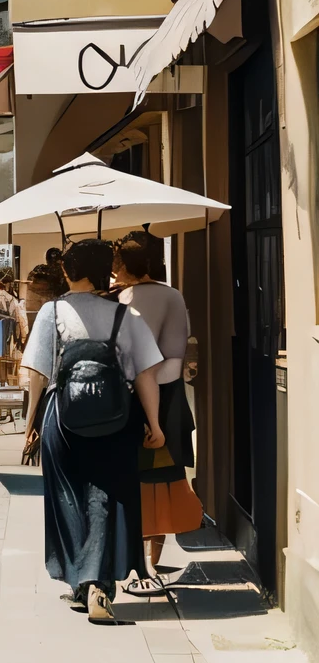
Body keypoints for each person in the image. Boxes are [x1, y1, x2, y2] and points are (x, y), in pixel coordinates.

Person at [22, 237, 165, 625]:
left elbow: (37, 374)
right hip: (117, 419)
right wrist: (154, 423)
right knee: (108, 495)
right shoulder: (126, 316)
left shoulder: (51, 313)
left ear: (69, 271)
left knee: (67, 496)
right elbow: (147, 374)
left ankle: (81, 582)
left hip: (63, 417)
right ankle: (100, 583)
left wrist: (31, 423)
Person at [111, 235, 200, 595]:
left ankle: (138, 565)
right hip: (172, 391)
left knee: (134, 474)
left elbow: (127, 353)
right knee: (166, 471)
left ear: (125, 267)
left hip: (138, 394)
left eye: (116, 264)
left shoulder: (126, 300)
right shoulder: (174, 294)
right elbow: (184, 345)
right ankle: (155, 557)